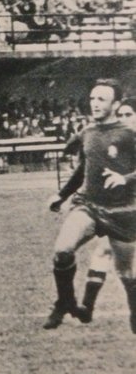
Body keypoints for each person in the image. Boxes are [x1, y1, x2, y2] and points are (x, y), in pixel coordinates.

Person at [43, 80, 136, 331]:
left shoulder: (128, 134)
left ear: (116, 104)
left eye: (102, 100)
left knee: (126, 272)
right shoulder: (87, 132)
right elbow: (82, 169)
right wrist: (61, 196)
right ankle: (65, 302)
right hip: (89, 205)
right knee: (62, 250)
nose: (95, 104)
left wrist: (125, 178)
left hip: (123, 211)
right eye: (93, 98)